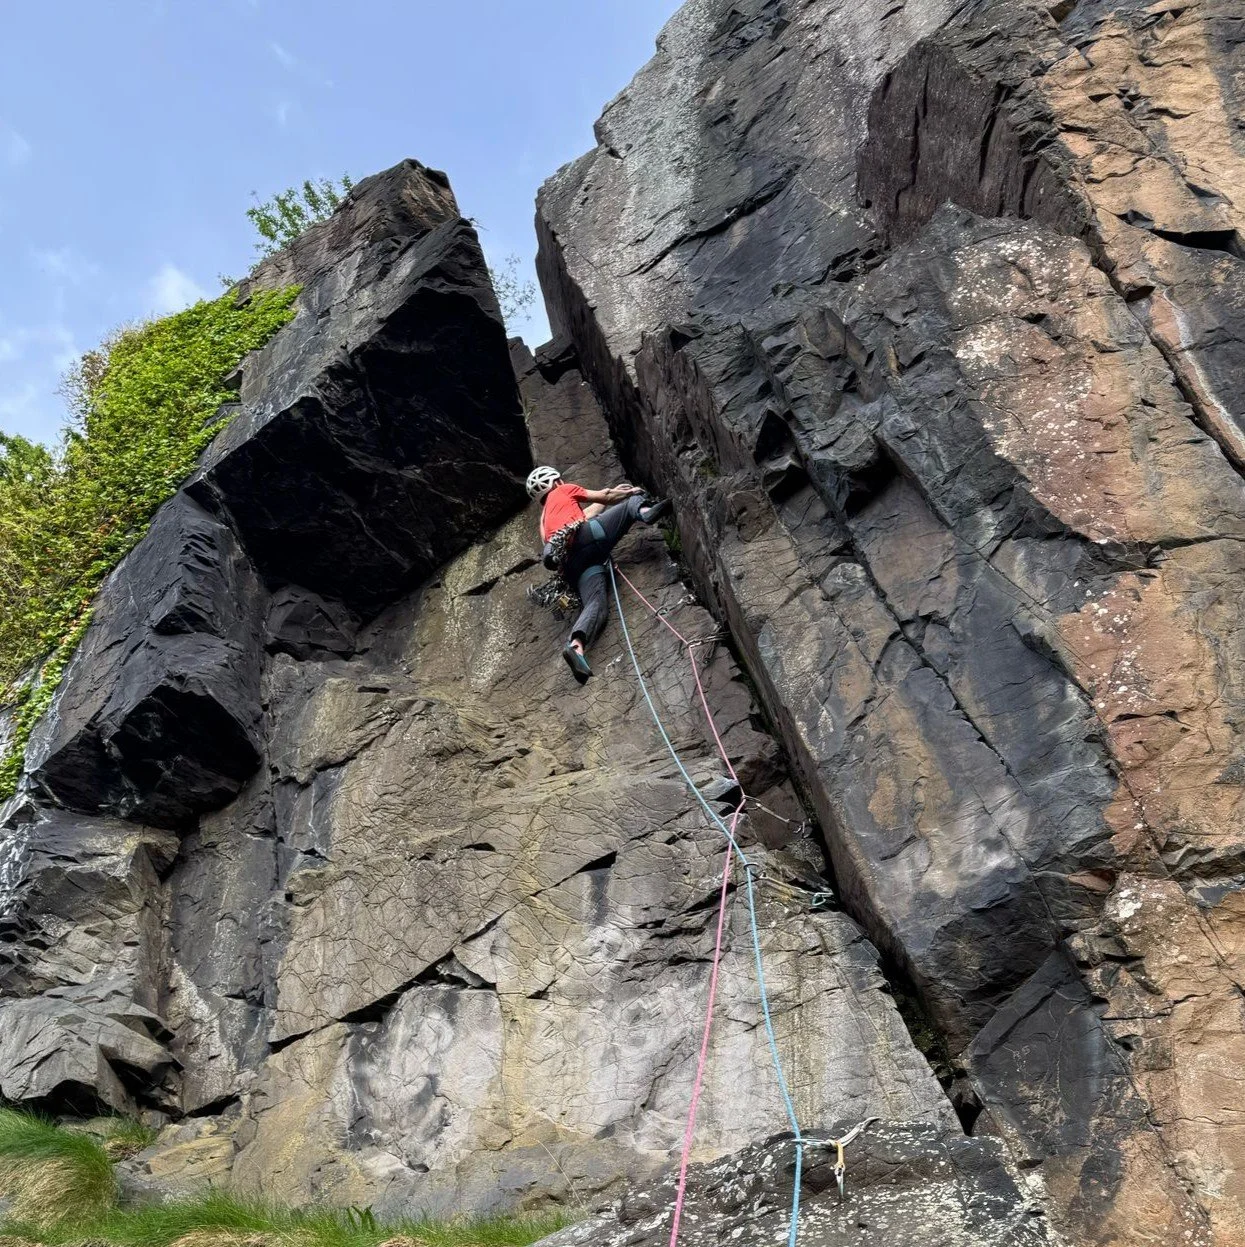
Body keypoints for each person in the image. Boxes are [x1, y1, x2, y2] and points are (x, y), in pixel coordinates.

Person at [526, 465, 670, 683]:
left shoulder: (544, 522)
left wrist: (609, 495)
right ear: (556, 482)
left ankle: (576, 647)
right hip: (588, 538)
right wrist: (628, 493)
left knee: (596, 604)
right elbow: (605, 496)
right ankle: (644, 512)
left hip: (573, 566)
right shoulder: (563, 490)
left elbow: (584, 514)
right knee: (630, 505)